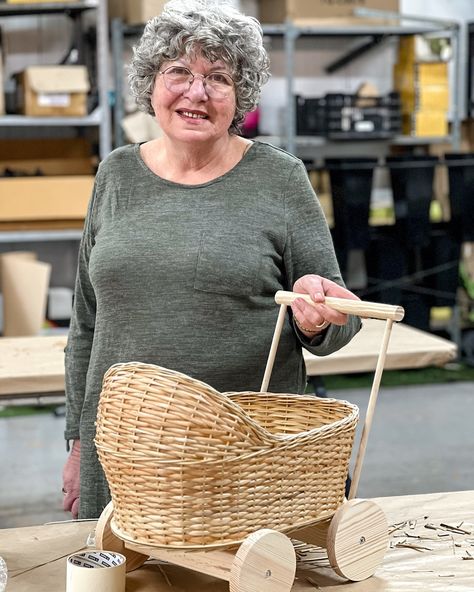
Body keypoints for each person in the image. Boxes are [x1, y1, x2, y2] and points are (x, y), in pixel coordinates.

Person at [62, 0, 361, 520]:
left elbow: (341, 317)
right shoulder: (116, 176)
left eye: (217, 77)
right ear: (151, 84)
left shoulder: (280, 179)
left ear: (238, 95)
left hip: (246, 453)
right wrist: (78, 440)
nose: (195, 93)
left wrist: (318, 321)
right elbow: (87, 323)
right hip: (129, 450)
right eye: (178, 71)